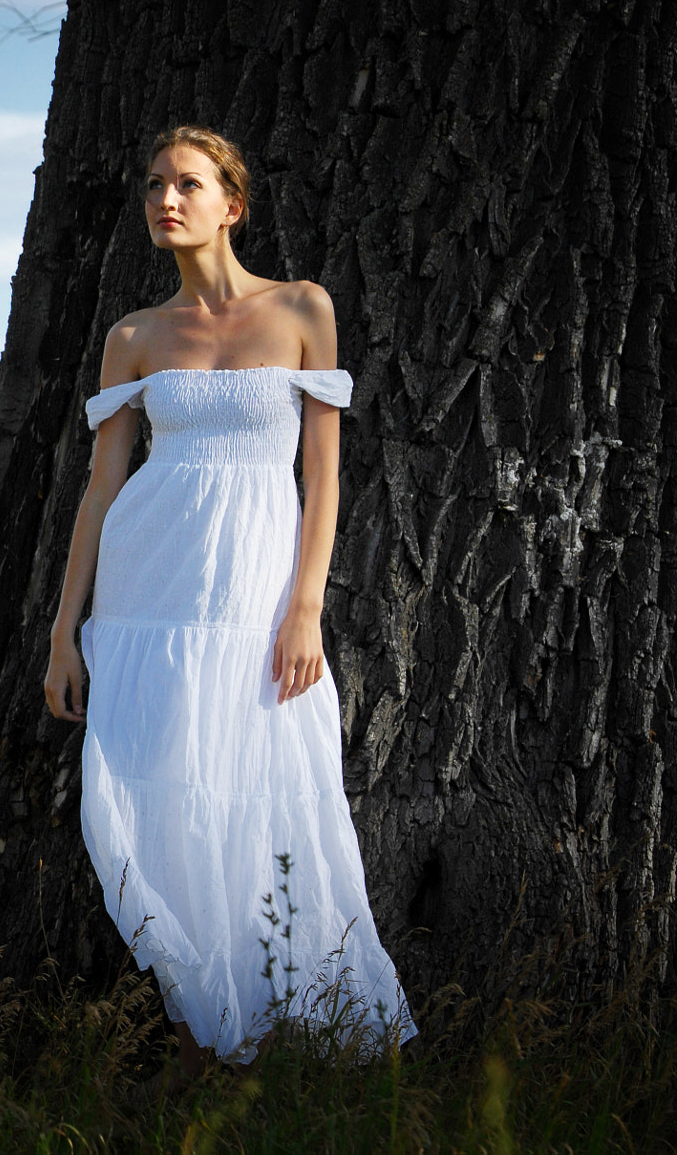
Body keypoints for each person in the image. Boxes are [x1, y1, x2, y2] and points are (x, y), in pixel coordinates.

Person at [44, 126, 416, 1075]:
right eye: (156, 185)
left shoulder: (302, 308)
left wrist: (305, 610)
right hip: (147, 594)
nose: (167, 199)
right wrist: (64, 631)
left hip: (256, 599)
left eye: (189, 184)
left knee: (263, 794)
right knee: (152, 805)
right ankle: (199, 1038)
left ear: (232, 204)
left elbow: (324, 479)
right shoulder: (134, 336)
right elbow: (100, 486)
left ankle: (288, 1033)